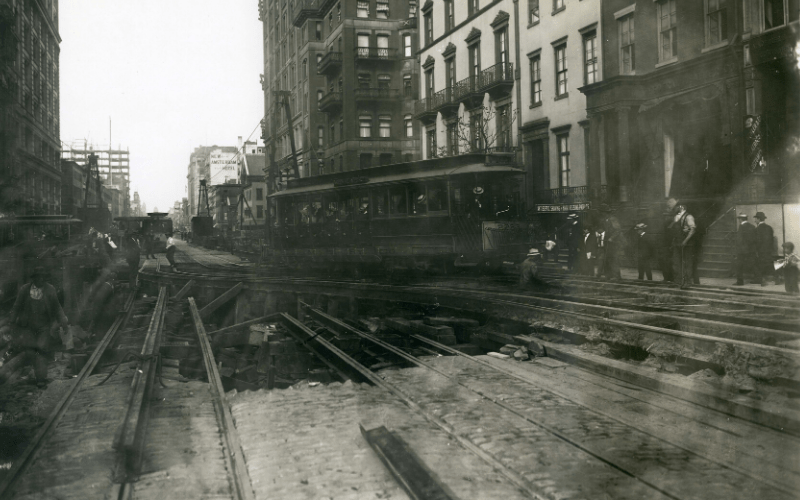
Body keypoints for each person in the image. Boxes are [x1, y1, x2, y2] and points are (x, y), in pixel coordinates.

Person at [1, 267, 70, 387]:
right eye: (38, 277)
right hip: (27, 327)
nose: (41, 279)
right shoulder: (24, 290)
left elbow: (57, 308)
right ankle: (29, 374)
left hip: (43, 327)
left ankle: (41, 379)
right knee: (31, 351)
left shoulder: (50, 289)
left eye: (43, 277)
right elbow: (16, 308)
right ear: (33, 278)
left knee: (41, 350)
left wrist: (63, 323)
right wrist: (12, 324)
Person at [670, 204, 696, 289]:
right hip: (677, 243)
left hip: (687, 244)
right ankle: (677, 281)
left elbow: (692, 229)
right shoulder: (676, 217)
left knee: (687, 263)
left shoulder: (689, 217)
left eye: (678, 207)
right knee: (676, 262)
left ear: (682, 208)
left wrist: (685, 241)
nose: (676, 208)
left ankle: (688, 282)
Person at [600, 205, 624, 279]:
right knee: (607, 259)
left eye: (603, 212)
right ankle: (608, 275)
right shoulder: (605, 220)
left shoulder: (612, 219)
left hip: (613, 243)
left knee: (613, 259)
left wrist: (612, 238)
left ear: (606, 213)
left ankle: (616, 276)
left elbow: (618, 230)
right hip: (607, 242)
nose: (602, 214)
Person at [733, 213, 756, 286]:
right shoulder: (752, 226)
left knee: (739, 265)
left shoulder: (741, 227)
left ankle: (740, 282)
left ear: (740, 219)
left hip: (742, 251)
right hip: (751, 249)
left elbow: (739, 240)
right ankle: (758, 278)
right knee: (754, 264)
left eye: (739, 219)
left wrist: (737, 250)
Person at [754, 212, 774, 286]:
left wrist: (756, 250)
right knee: (770, 264)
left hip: (761, 251)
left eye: (755, 219)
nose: (755, 221)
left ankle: (761, 280)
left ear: (758, 219)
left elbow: (757, 241)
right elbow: (771, 240)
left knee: (760, 265)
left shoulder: (757, 229)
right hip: (768, 250)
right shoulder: (769, 227)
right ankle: (777, 278)